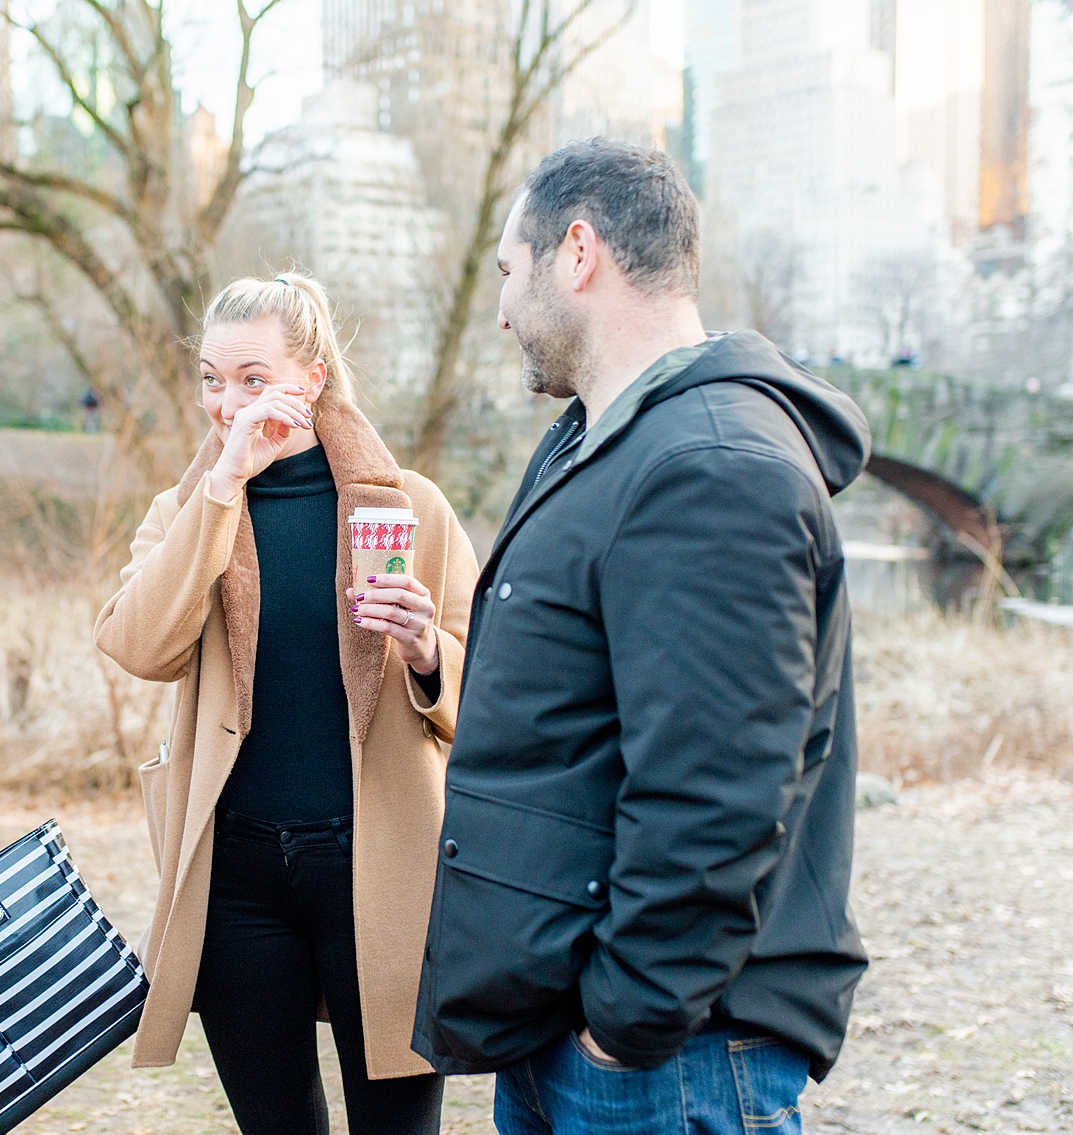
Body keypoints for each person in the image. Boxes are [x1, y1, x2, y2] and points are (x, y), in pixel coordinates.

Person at [414, 139, 871, 1133]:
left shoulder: (711, 465)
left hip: (663, 1059)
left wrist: (622, 1026)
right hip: (565, 1027)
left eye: (506, 271)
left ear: (575, 252)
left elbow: (713, 795)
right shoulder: (597, 443)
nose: (497, 311)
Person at [96, 273, 479, 1135]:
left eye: (252, 379)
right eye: (210, 379)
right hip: (236, 879)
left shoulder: (409, 506)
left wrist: (425, 652)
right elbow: (135, 644)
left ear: (310, 377)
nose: (226, 402)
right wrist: (222, 485)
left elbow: (493, 691)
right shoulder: (186, 512)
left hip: (379, 868)